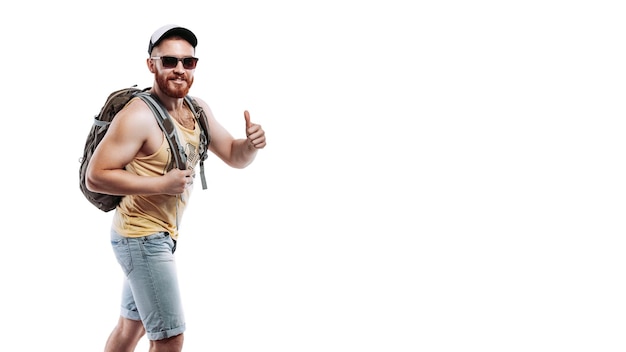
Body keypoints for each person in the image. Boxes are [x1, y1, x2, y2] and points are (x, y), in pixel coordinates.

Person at [86, 24, 266, 352]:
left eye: (188, 62)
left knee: (132, 326)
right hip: (141, 237)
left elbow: (234, 155)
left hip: (160, 236)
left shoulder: (196, 110)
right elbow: (95, 175)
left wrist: (251, 145)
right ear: (151, 64)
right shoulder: (138, 116)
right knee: (170, 339)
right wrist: (161, 184)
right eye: (169, 61)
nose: (180, 69)